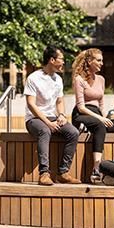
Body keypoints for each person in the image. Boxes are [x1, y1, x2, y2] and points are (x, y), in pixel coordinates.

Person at [24, 45, 81, 186]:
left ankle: (63, 173)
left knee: (73, 132)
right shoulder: (33, 78)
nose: (63, 62)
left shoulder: (58, 79)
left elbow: (60, 101)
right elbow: (31, 104)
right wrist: (48, 123)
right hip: (34, 119)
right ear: (52, 60)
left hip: (53, 117)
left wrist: (61, 114)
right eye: (61, 59)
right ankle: (44, 174)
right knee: (44, 130)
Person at [71, 48, 113, 183]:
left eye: (102, 60)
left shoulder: (101, 79)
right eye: (99, 60)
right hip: (82, 114)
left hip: (97, 114)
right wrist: (101, 119)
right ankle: (96, 167)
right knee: (100, 125)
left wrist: (106, 117)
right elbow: (81, 107)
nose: (102, 63)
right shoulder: (79, 79)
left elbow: (101, 105)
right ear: (89, 61)